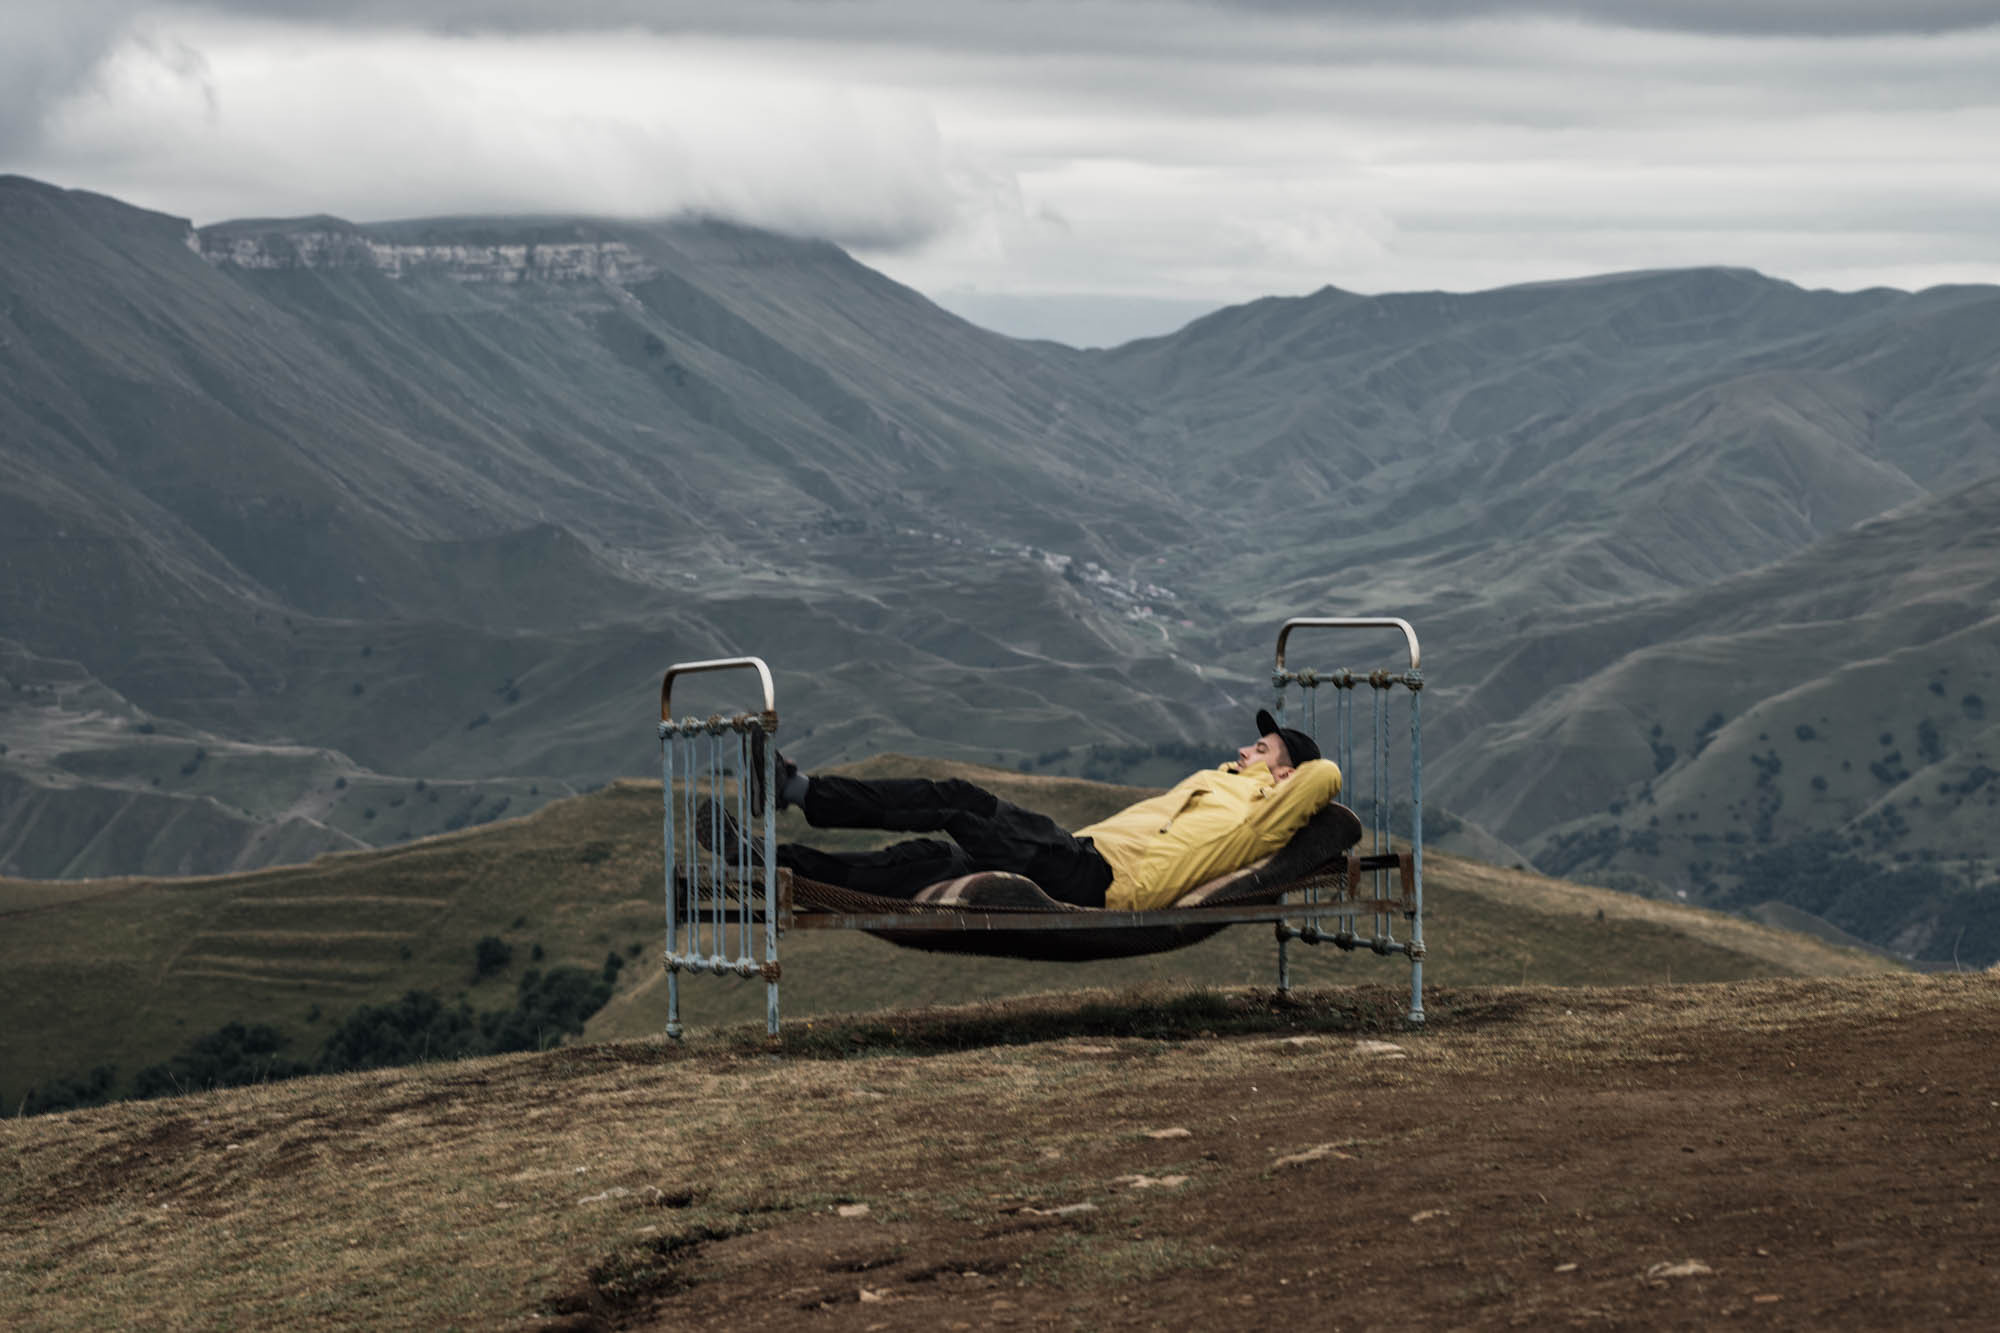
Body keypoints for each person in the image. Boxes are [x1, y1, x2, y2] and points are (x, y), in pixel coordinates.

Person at [698, 710, 1341, 911]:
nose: (1243, 750)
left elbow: (1326, 778)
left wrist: (1288, 775)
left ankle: (794, 790)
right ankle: (759, 860)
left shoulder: (1266, 808)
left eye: (1260, 748)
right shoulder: (1227, 783)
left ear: (1285, 773)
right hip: (1077, 853)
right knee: (913, 862)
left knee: (959, 801)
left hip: (1097, 877)